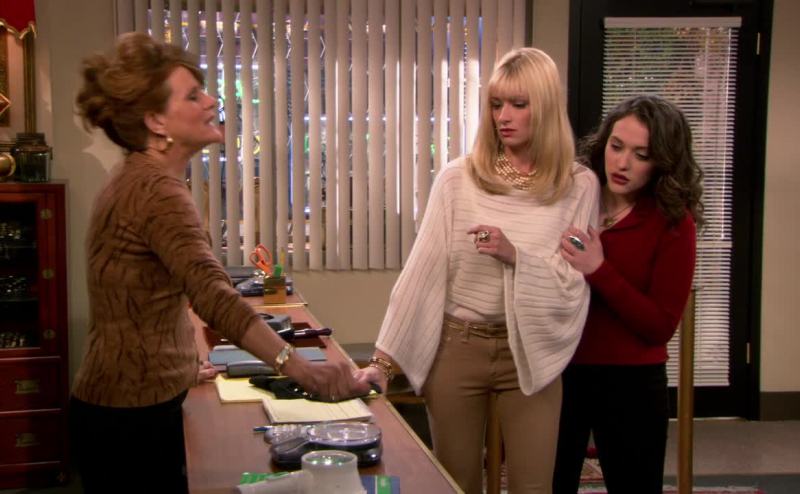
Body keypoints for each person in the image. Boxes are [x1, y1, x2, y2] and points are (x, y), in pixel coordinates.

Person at [70, 32, 370, 493]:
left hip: (127, 402)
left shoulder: (140, 177)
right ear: (156, 121)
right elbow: (213, 296)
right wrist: (300, 368)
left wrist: (180, 360)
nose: (211, 101)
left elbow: (152, 295)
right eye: (193, 96)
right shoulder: (156, 191)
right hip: (129, 419)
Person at [355, 47, 600, 493]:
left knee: (533, 487)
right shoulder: (458, 179)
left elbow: (571, 286)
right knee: (455, 484)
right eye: (496, 104)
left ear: (546, 108)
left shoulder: (578, 186)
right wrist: (383, 363)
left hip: (531, 353)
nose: (503, 117)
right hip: (459, 349)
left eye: (519, 104)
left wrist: (515, 256)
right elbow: (422, 275)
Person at [552, 95, 703, 494]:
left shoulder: (673, 222)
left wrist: (599, 270)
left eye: (641, 155)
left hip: (631, 382)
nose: (622, 163)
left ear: (662, 161)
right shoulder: (574, 198)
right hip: (559, 369)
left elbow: (660, 326)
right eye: (616, 147)